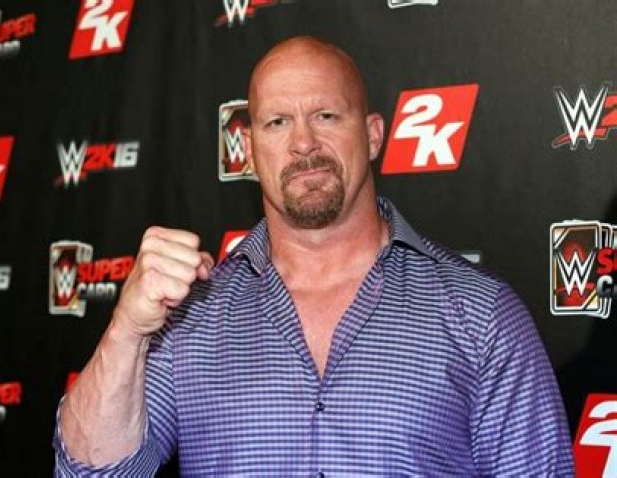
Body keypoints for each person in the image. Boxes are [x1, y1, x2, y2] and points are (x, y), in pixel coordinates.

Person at [53, 36, 574, 476]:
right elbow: (92, 472)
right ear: (249, 150)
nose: (303, 143)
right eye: (277, 122)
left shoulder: (479, 314)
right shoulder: (191, 316)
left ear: (373, 135)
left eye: (325, 115)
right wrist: (127, 329)